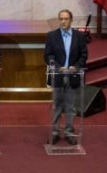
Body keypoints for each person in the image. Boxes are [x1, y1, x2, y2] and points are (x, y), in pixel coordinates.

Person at [44, 9, 88, 146]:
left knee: (70, 106)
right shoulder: (51, 36)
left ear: (71, 20)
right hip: (58, 75)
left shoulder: (79, 36)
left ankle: (69, 132)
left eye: (66, 19)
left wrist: (76, 66)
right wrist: (58, 67)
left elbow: (84, 55)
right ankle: (55, 132)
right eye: (61, 19)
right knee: (56, 105)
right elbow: (47, 56)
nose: (63, 21)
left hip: (73, 75)